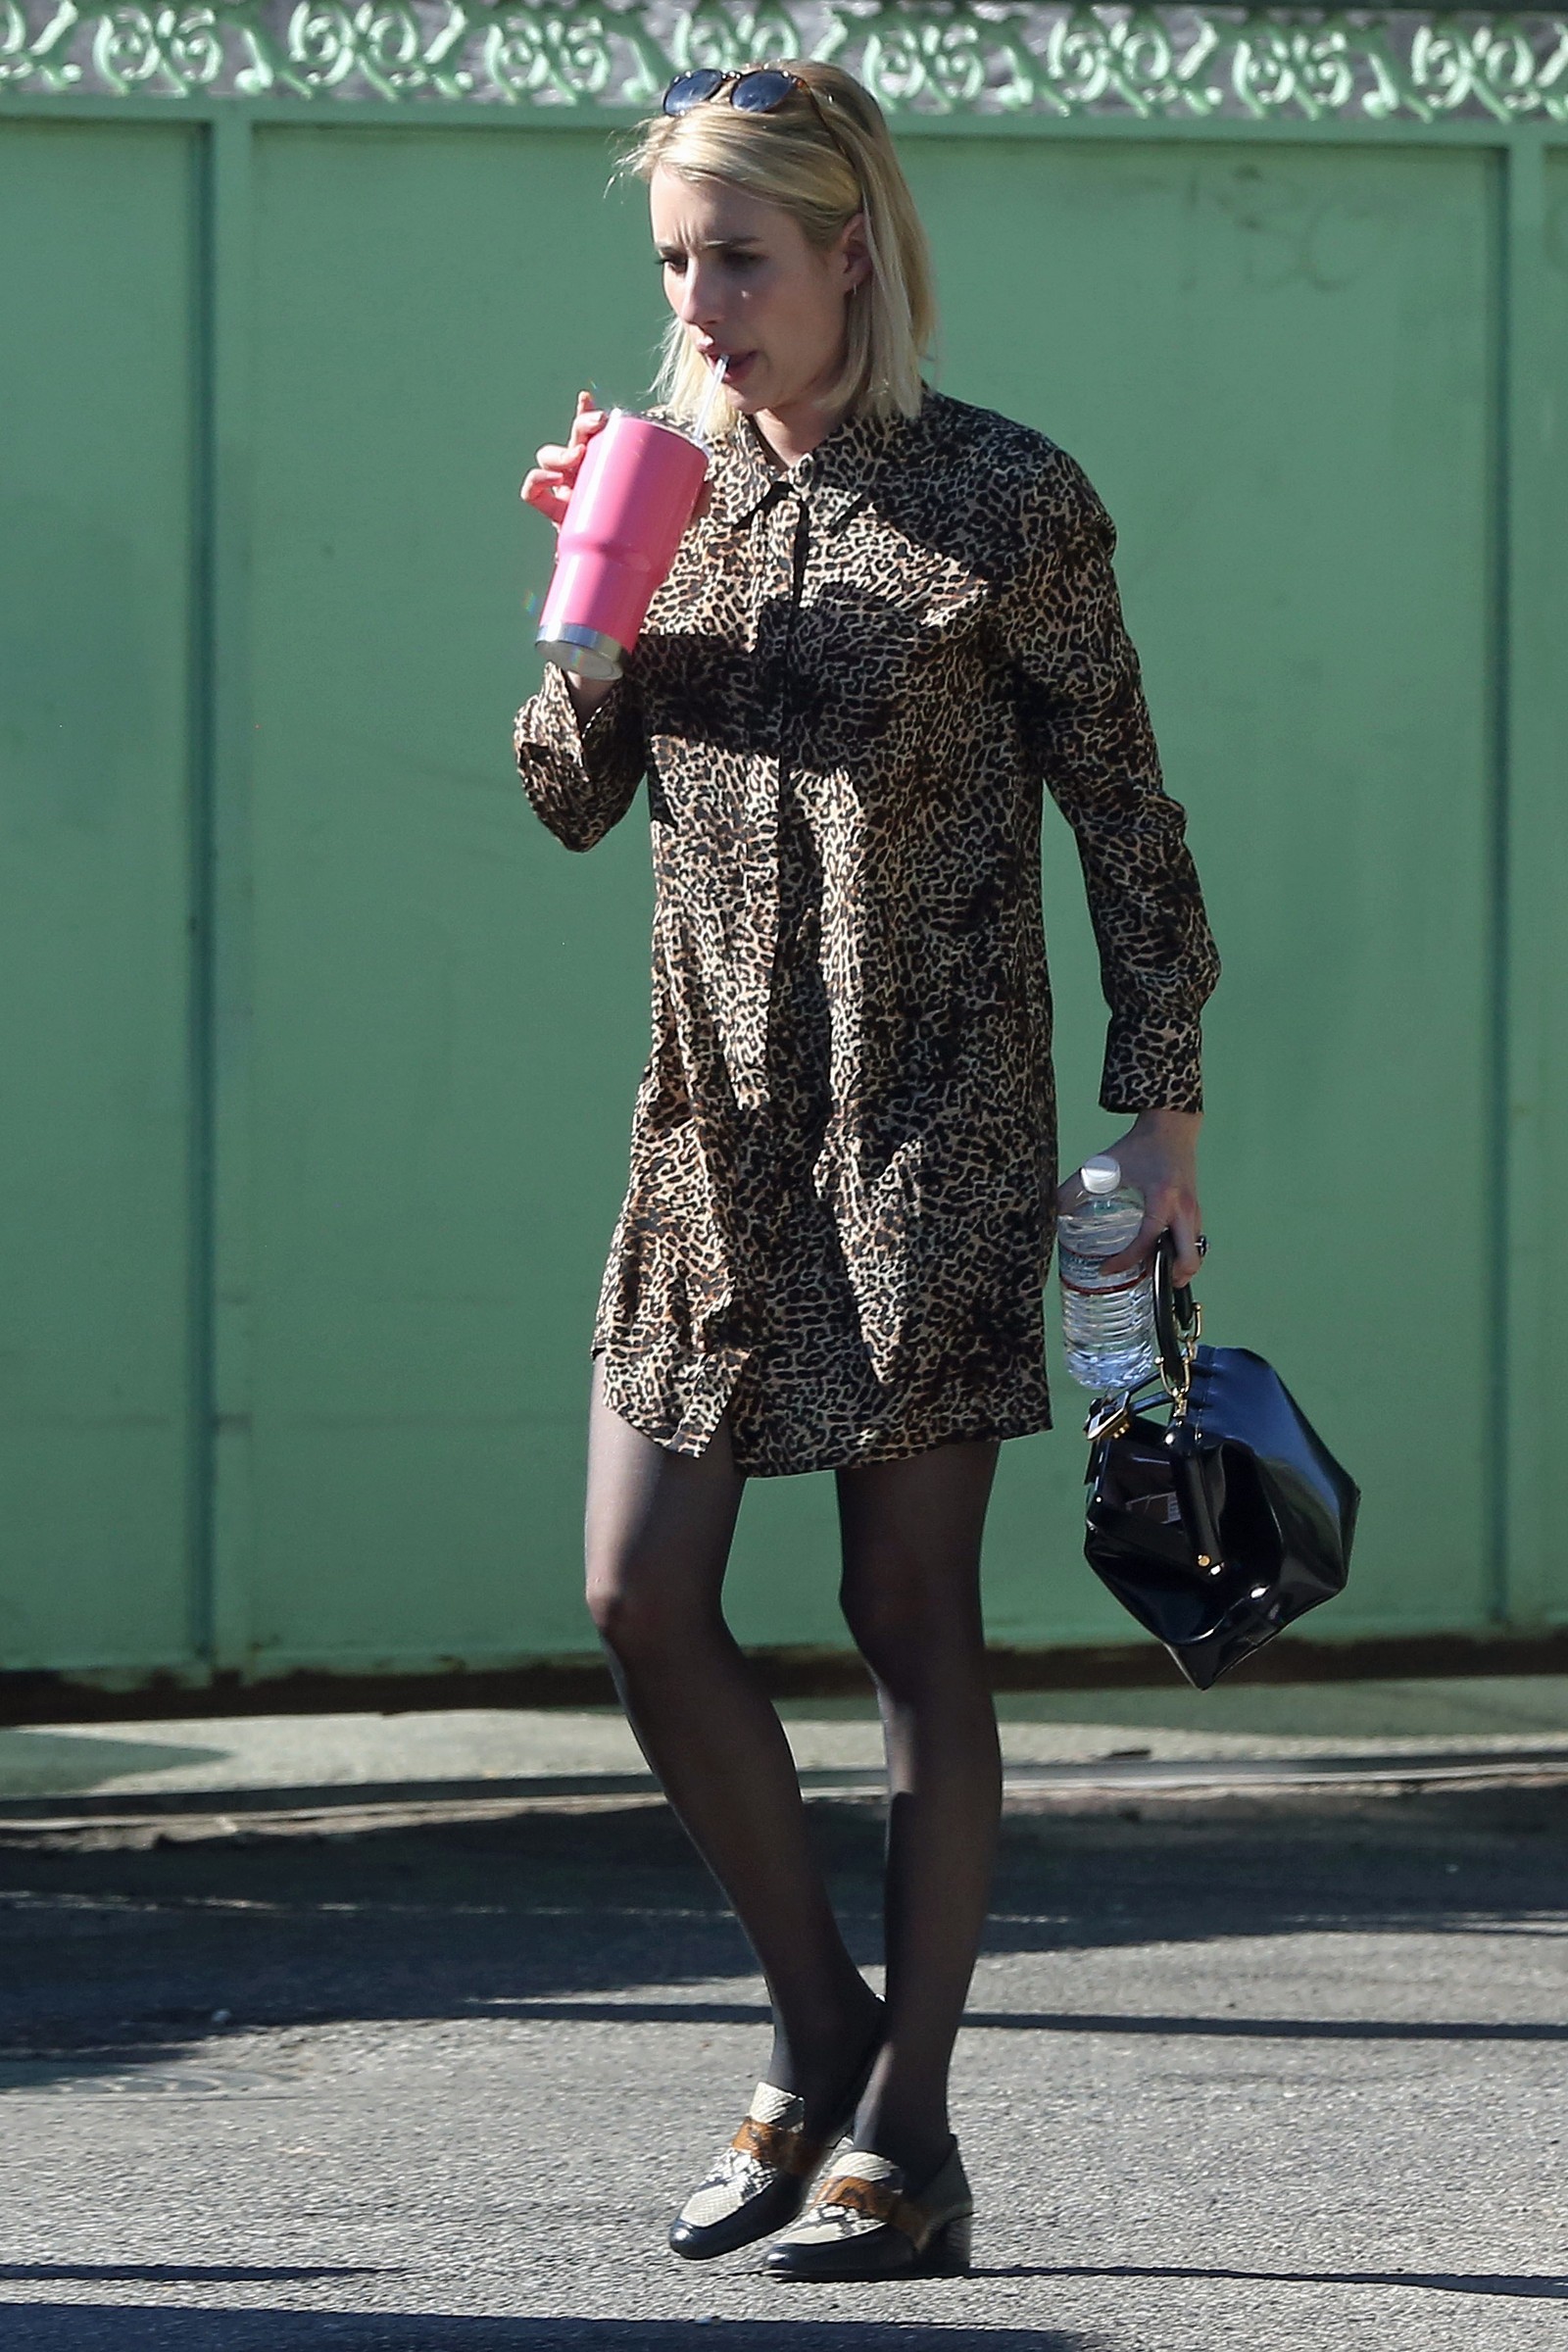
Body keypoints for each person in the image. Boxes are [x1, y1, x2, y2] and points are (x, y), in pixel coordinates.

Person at [514, 59, 1218, 2283]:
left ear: (847, 254)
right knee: (640, 1595)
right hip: (710, 1129)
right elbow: (564, 799)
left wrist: (1160, 1112)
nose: (699, 303)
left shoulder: (1006, 496)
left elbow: (1129, 818)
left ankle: (908, 2134)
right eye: (673, 262)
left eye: (738, 258)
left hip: (935, 1121)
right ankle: (821, 2024)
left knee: (909, 1619)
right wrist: (586, 606)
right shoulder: (670, 489)